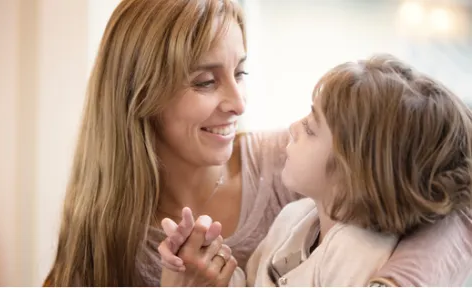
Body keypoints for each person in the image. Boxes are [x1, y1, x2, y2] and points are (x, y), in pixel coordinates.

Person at [44, 0, 472, 286]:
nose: (238, 102)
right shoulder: (101, 223)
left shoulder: (294, 163)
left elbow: (457, 203)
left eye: (241, 72)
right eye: (206, 81)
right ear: (139, 95)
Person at [159, 55, 472, 286]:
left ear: (355, 171)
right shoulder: (293, 219)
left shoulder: (358, 254)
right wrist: (209, 269)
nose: (293, 128)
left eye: (310, 128)